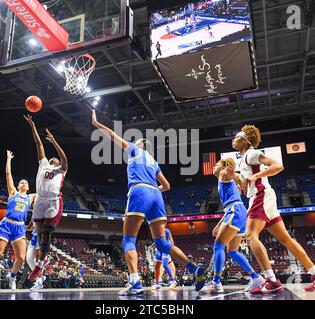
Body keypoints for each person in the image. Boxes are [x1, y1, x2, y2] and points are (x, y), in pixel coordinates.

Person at [91, 110, 204, 296]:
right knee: (161, 243)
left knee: (128, 240)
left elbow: (112, 135)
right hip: (156, 195)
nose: (133, 143)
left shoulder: (136, 151)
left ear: (141, 145)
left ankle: (135, 283)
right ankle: (192, 267)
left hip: (139, 190)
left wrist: (97, 124)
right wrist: (153, 191)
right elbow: (166, 185)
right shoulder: (153, 161)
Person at [233, 125, 315, 293]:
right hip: (262, 196)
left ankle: (271, 279)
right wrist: (241, 181)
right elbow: (246, 177)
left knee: (250, 236)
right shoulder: (242, 159)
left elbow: (278, 166)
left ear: (245, 140)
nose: (233, 139)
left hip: (261, 195)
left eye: (236, 137)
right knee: (286, 239)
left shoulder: (252, 153)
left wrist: (255, 176)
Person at [200, 158, 264, 294]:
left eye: (216, 164)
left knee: (218, 246)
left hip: (235, 211)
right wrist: (218, 224)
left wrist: (240, 180)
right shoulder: (223, 179)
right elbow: (229, 205)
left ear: (224, 166)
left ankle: (216, 283)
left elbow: (234, 173)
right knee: (232, 251)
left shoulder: (224, 173)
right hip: (237, 212)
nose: (214, 167)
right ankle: (256, 277)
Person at [0, 150, 36, 293]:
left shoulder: (31, 197)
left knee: (21, 258)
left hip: (19, 228)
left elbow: (45, 193)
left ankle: (12, 276)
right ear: (18, 186)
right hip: (6, 224)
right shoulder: (13, 192)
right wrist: (8, 159)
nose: (23, 183)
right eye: (21, 182)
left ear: (28, 187)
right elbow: (8, 174)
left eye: (25, 182)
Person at [24, 115, 68, 287]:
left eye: (54, 159)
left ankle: (41, 264)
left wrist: (55, 142)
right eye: (52, 158)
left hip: (53, 202)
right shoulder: (43, 165)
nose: (53, 159)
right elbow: (38, 144)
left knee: (45, 235)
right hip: (40, 202)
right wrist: (33, 125)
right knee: (40, 233)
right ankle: (44, 258)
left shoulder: (60, 170)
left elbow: (64, 159)